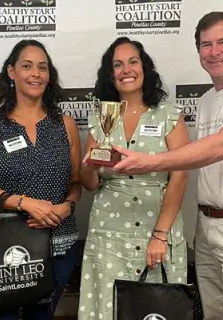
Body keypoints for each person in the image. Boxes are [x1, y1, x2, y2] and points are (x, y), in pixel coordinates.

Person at [111, 12, 223, 320]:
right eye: (206, 45)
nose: (214, 51)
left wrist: (152, 162)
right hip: (208, 226)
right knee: (213, 315)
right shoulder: (208, 99)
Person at [77, 37, 190, 320]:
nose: (126, 69)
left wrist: (160, 236)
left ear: (144, 68)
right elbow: (90, 185)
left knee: (155, 311)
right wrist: (89, 167)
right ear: (110, 75)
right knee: (107, 310)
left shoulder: (168, 116)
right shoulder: (101, 117)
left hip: (157, 229)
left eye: (133, 61)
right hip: (108, 233)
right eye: (117, 65)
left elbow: (179, 177)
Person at [0, 39, 82, 320]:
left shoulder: (65, 124)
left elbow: (75, 182)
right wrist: (25, 204)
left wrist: (66, 207)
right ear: (11, 72)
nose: (36, 73)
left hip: (58, 242)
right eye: (27, 66)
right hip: (5, 244)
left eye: (42, 67)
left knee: (41, 316)